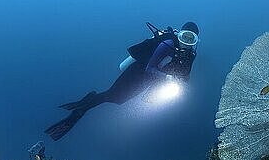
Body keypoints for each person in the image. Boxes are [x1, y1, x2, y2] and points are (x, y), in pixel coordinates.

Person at [45, 21, 200, 141]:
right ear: (179, 34)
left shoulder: (191, 54)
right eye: (184, 36)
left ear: (195, 40)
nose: (186, 41)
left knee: (119, 100)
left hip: (153, 80)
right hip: (138, 72)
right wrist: (167, 77)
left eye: (190, 38)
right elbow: (149, 68)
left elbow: (185, 76)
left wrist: (180, 83)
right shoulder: (167, 44)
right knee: (114, 97)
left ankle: (87, 101)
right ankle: (80, 109)